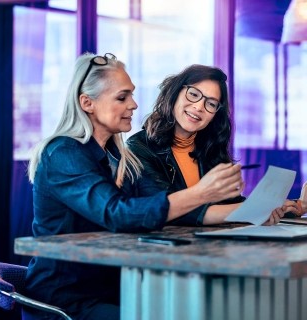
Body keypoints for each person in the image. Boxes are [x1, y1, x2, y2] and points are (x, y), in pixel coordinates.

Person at [23, 53, 248, 320]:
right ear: (87, 103)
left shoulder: (119, 157)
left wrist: (255, 213)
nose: (134, 104)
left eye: (131, 95)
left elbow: (164, 206)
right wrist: (201, 192)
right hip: (68, 298)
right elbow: (117, 213)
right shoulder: (63, 153)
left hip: (112, 288)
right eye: (122, 97)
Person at [126, 64, 300, 226]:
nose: (199, 107)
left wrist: (279, 207)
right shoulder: (138, 147)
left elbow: (228, 203)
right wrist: (253, 211)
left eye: (211, 103)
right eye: (193, 94)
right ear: (174, 93)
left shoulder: (209, 148)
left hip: (210, 246)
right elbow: (169, 210)